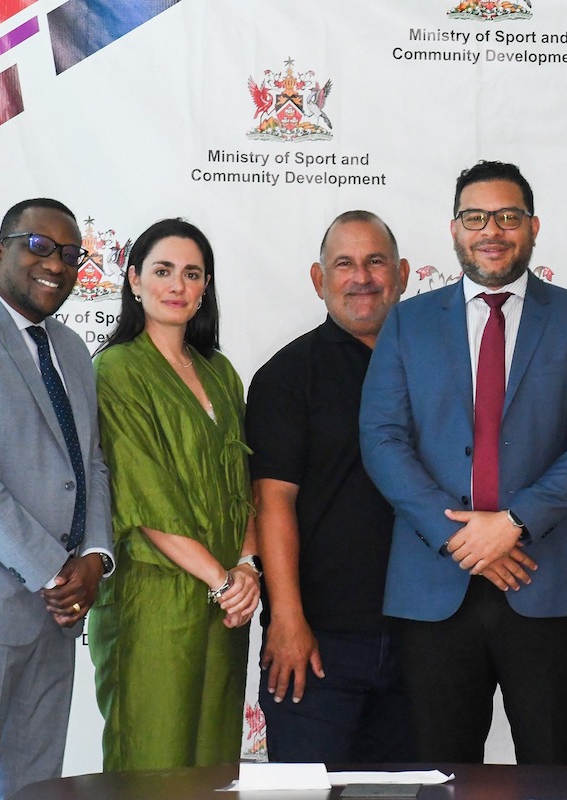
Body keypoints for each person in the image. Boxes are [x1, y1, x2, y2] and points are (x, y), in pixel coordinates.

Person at [359, 160, 567, 766]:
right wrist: (462, 537)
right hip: (435, 586)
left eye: (508, 217)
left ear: (533, 228)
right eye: (476, 217)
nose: (492, 231)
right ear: (454, 230)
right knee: (439, 772)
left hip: (545, 578)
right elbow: (381, 439)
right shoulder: (406, 322)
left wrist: (512, 525)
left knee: (555, 772)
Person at [88, 218, 259, 770]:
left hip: (226, 601)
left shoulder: (221, 372)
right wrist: (222, 580)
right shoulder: (116, 369)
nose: (177, 286)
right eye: (163, 271)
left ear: (205, 286)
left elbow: (243, 485)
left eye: (192, 274)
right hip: (153, 601)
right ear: (134, 279)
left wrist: (248, 567)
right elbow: (144, 497)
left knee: (214, 764)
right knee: (151, 760)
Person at [246, 210, 415, 762]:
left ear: (404, 274)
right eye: (344, 263)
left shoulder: (438, 366)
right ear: (319, 280)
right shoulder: (287, 377)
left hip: (425, 638)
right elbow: (272, 501)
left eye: (375, 262)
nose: (361, 277)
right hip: (317, 643)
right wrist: (288, 619)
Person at [0, 199, 113, 800]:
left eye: (71, 254)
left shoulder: (73, 350)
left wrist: (96, 558)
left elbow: (92, 464)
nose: (56, 263)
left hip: (57, 616)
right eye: (39, 246)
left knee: (35, 790)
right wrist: (54, 569)